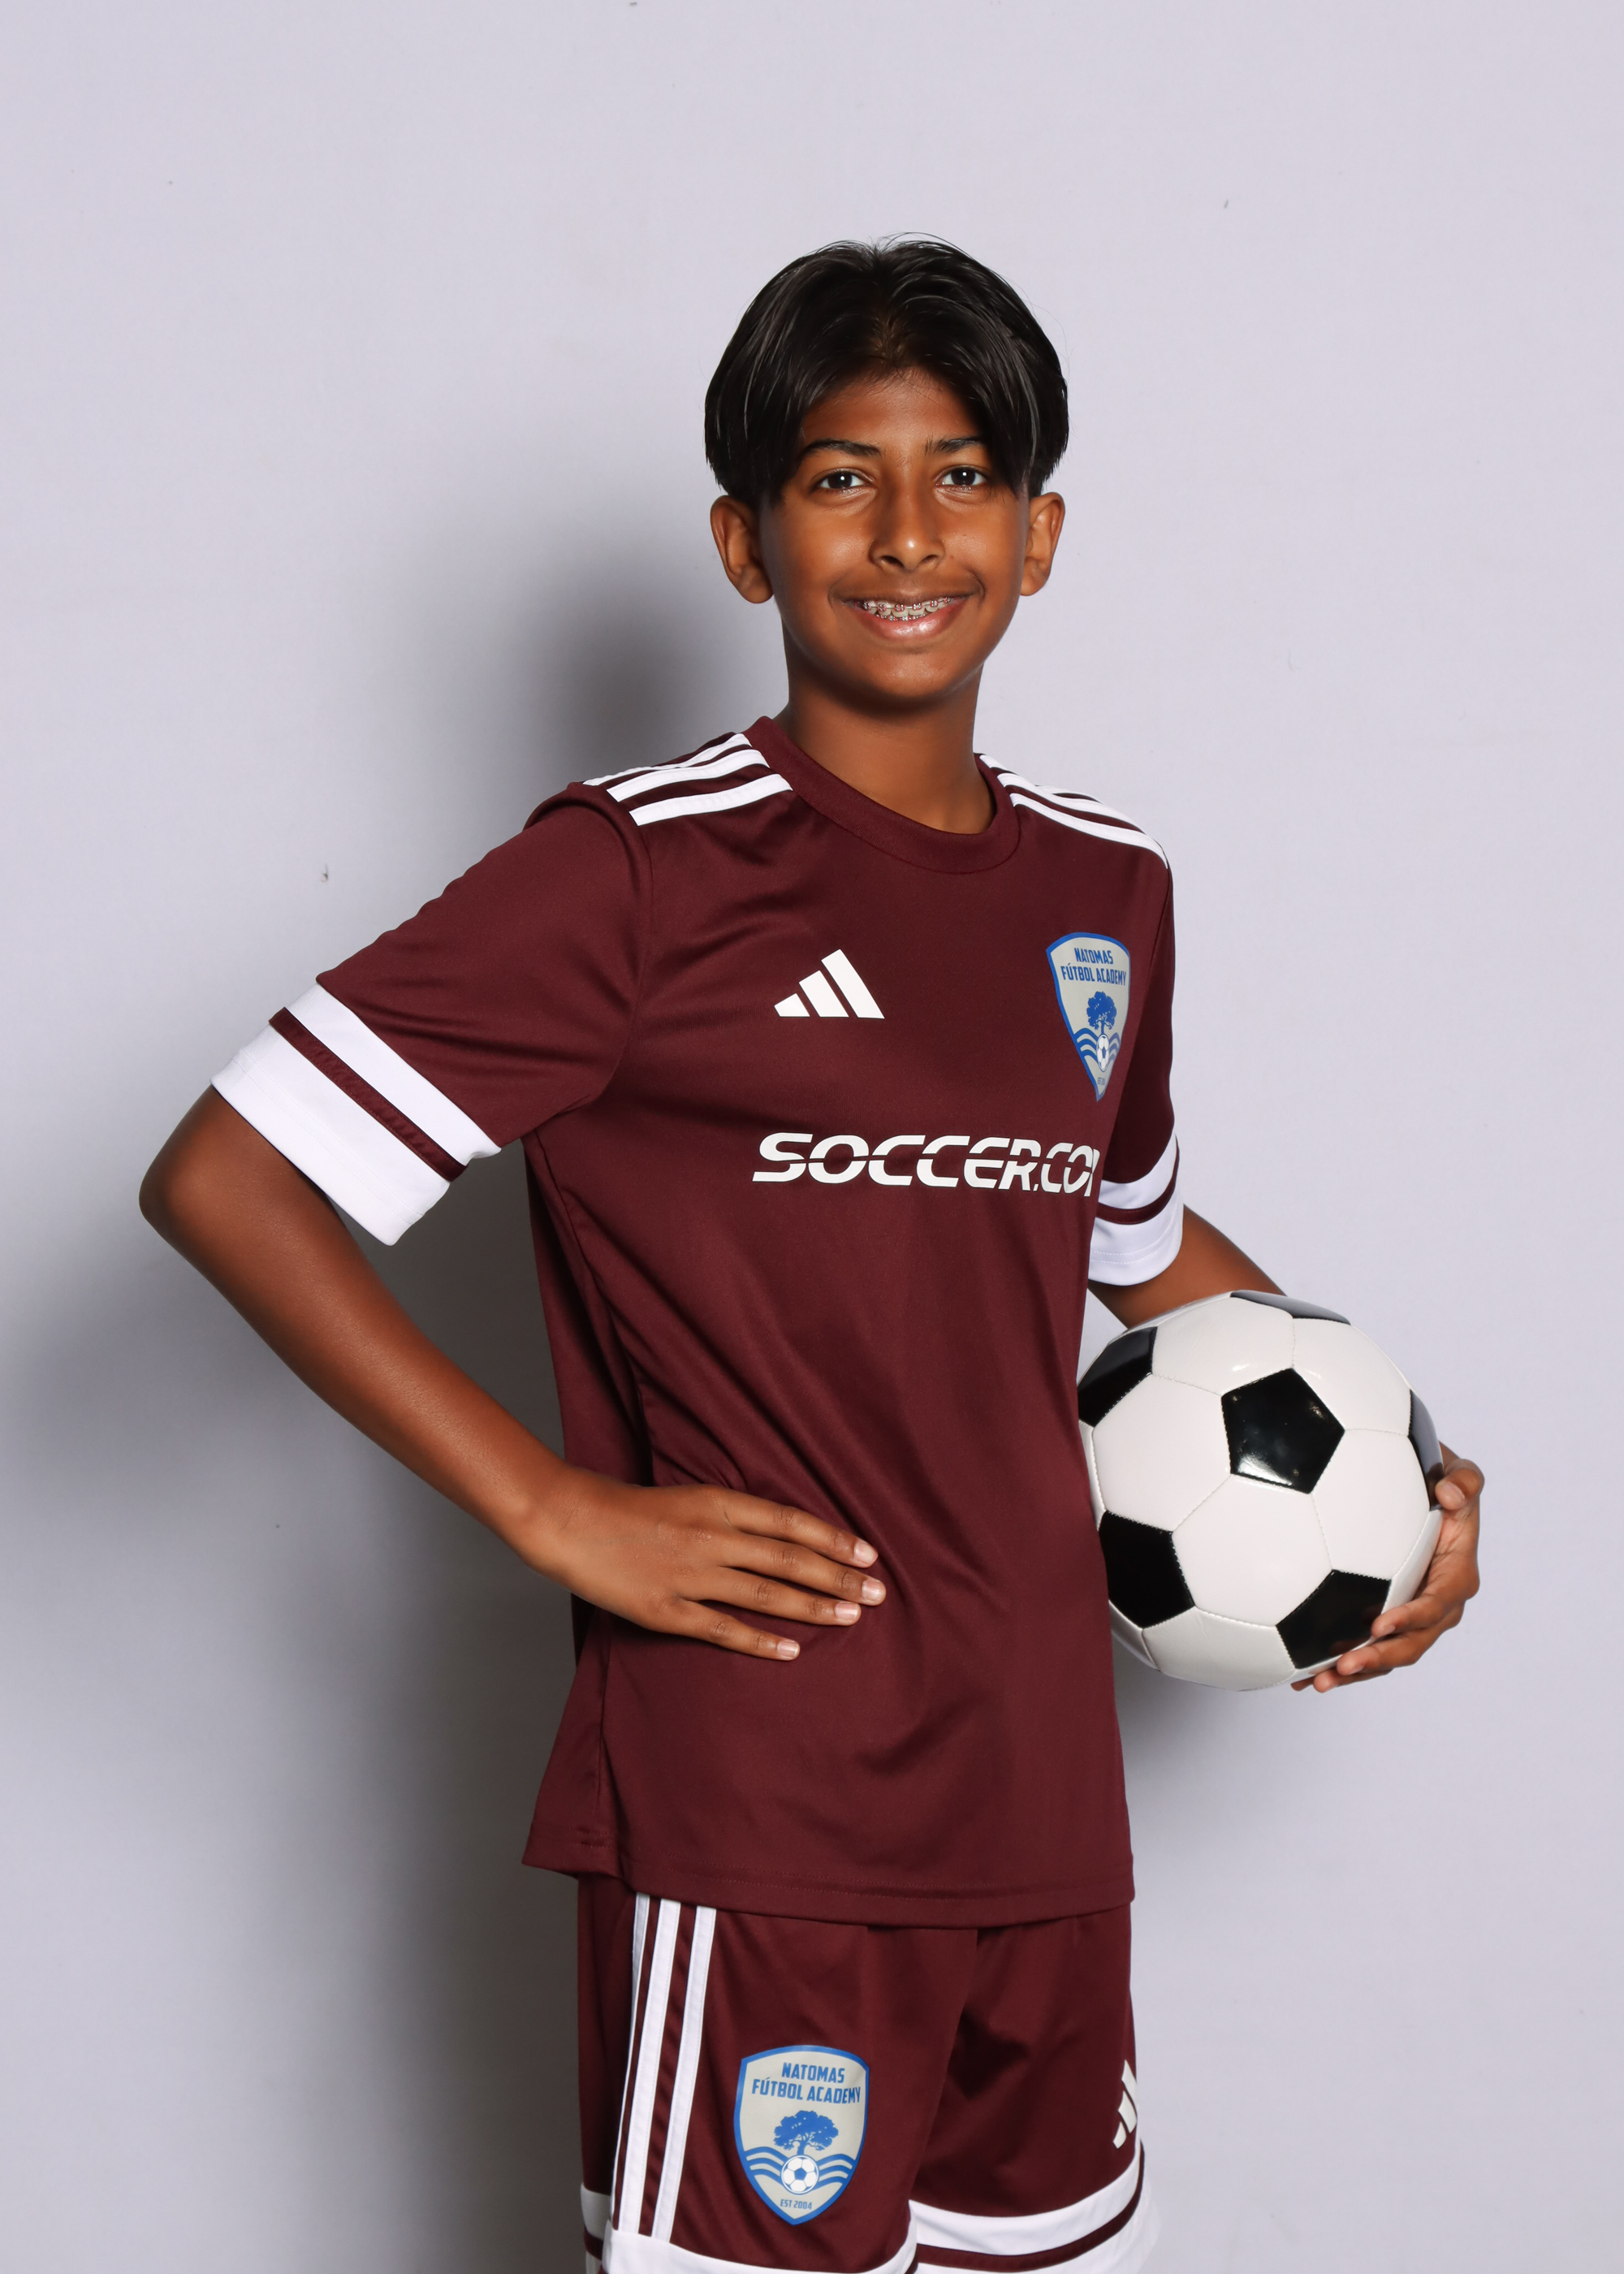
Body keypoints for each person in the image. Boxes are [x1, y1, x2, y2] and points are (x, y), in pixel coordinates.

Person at [140, 240, 1483, 2274]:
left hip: (1042, 1798)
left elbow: (1134, 1247)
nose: (907, 532)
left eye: (962, 476)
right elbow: (231, 1177)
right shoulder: (635, 871)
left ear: (1040, 537)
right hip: (763, 1802)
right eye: (841, 477)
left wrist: (1404, 1490)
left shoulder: (1105, 892)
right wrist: (547, 1503)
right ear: (743, 540)